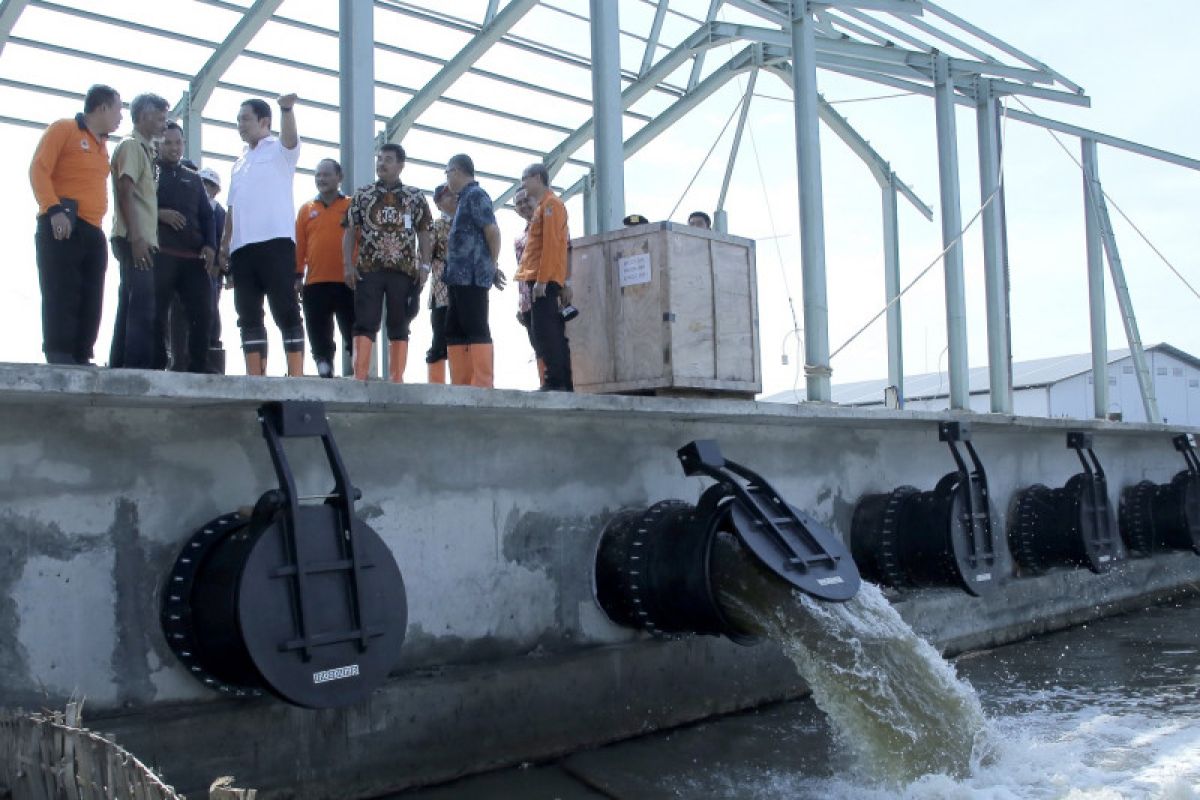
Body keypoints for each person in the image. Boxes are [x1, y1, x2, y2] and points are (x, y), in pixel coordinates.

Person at [28, 84, 123, 365]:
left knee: (91, 296)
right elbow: (38, 169)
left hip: (93, 230)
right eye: (118, 109)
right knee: (61, 290)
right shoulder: (64, 129)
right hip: (62, 222)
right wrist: (53, 209)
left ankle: (82, 355)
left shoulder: (103, 146)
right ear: (102, 107)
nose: (120, 117)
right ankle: (59, 354)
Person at [218, 94, 304, 377]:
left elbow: (291, 138)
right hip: (243, 247)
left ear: (264, 121)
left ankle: (296, 373)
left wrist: (286, 109)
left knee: (284, 308)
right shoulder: (239, 162)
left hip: (275, 242)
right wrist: (224, 244)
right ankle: (256, 374)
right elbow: (232, 207)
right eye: (238, 119)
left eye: (245, 118)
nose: (240, 124)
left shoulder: (279, 151)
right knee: (247, 312)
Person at [342, 143, 432, 383]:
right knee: (365, 320)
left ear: (401, 165)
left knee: (400, 322)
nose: (382, 163)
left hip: (403, 270)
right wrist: (348, 266)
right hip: (368, 268)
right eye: (379, 159)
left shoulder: (415, 197)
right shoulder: (363, 194)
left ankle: (396, 377)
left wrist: (425, 266)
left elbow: (425, 233)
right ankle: (360, 374)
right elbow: (350, 231)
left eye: (388, 159)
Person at [108, 92, 169, 370]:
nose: (163, 125)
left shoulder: (147, 150)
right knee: (142, 306)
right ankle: (136, 366)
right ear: (143, 116)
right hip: (134, 238)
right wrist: (136, 237)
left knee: (130, 301)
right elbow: (126, 190)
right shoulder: (132, 146)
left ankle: (121, 362)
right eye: (159, 118)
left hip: (141, 237)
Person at [154, 122, 216, 372]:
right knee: (156, 314)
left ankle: (199, 364)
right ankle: (157, 362)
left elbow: (207, 215)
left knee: (203, 312)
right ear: (159, 144)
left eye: (178, 142)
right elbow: (136, 204)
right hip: (162, 254)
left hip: (192, 257)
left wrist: (211, 245)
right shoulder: (151, 172)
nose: (173, 148)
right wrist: (160, 214)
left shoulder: (193, 178)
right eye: (168, 143)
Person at [442, 154, 505, 387]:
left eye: (447, 173)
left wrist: (492, 264)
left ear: (456, 171)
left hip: (472, 276)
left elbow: (493, 231)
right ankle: (462, 383)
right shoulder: (462, 200)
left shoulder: (477, 195)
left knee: (476, 326)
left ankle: (482, 383)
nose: (447, 178)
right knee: (454, 328)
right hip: (456, 278)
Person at [515, 162, 573, 392]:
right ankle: (560, 381)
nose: (523, 185)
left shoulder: (551, 205)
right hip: (539, 277)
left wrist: (542, 279)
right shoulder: (544, 206)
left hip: (543, 280)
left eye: (525, 179)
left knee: (547, 331)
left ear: (537, 177)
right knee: (548, 331)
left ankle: (555, 380)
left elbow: (552, 245)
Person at [296, 158, 354, 378]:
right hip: (315, 282)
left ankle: (357, 365)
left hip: (347, 280)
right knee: (318, 328)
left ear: (339, 177)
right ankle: (323, 363)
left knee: (351, 327)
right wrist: (297, 275)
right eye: (318, 175)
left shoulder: (351, 206)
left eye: (326, 175)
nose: (321, 179)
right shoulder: (306, 210)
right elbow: (300, 245)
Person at [512, 188, 544, 387]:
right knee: (536, 342)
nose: (523, 206)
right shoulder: (519, 238)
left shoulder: (549, 224)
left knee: (549, 340)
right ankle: (544, 382)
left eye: (526, 200)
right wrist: (521, 304)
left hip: (544, 293)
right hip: (526, 299)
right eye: (518, 204)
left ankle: (554, 382)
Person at [199, 166, 227, 372]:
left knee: (211, 308)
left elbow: (225, 241)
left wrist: (220, 266)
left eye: (209, 184)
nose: (205, 188)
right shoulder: (193, 206)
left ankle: (212, 346)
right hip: (192, 266)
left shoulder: (220, 212)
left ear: (216, 189)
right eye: (202, 183)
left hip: (213, 271)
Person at [425, 183, 455, 383]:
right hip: (441, 290)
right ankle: (436, 384)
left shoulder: (466, 223)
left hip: (464, 290)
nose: (453, 198)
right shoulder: (436, 226)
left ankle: (462, 381)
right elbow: (425, 255)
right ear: (438, 203)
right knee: (440, 336)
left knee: (461, 337)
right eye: (447, 195)